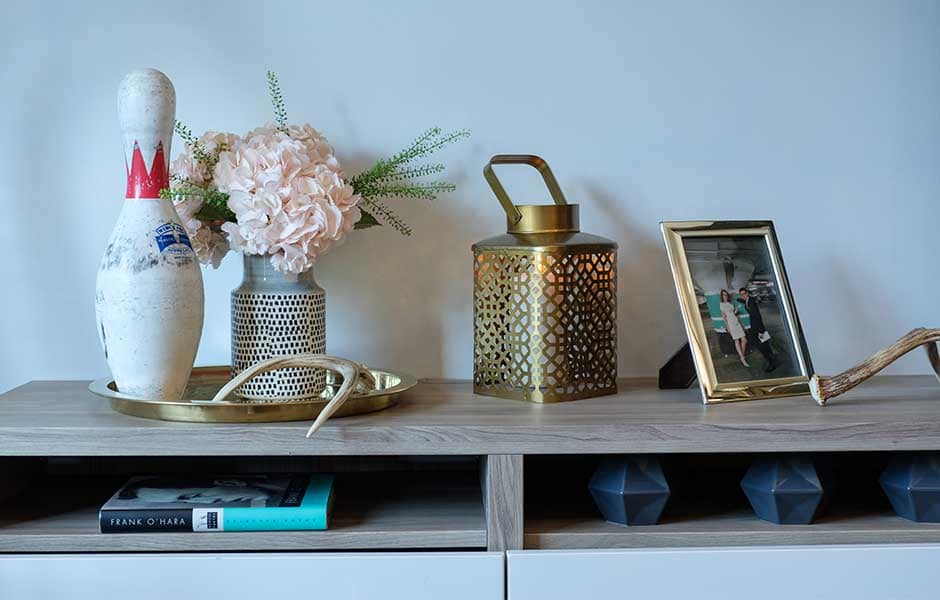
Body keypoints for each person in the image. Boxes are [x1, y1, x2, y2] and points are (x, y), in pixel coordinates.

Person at [740, 287, 777, 372]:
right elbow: (746, 304)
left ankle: (772, 363)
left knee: (763, 345)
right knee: (763, 344)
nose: (743, 295)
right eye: (741, 295)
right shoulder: (747, 300)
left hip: (759, 328)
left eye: (744, 294)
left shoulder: (751, 301)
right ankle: (771, 359)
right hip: (756, 327)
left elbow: (757, 316)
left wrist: (760, 331)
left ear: (747, 293)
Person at [719, 289, 749, 367]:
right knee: (736, 341)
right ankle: (742, 357)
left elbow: (734, 313)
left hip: (736, 321)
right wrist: (727, 327)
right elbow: (724, 317)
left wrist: (736, 311)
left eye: (726, 294)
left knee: (744, 340)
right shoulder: (722, 305)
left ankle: (741, 356)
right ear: (721, 296)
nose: (725, 296)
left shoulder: (730, 303)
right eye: (723, 295)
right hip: (731, 323)